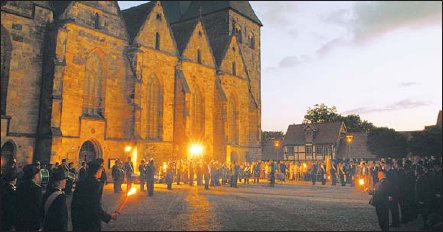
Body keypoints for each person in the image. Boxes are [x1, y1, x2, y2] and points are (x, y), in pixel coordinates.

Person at [71, 159, 118, 231]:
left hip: (78, 220)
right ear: (97, 170)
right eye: (101, 169)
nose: (102, 171)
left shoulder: (81, 182)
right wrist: (109, 217)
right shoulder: (96, 184)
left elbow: (74, 204)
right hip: (90, 222)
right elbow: (95, 206)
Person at [15, 164, 43, 231]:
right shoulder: (36, 189)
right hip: (31, 222)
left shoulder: (20, 186)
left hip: (20, 220)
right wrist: (38, 225)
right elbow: (37, 208)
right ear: (34, 176)